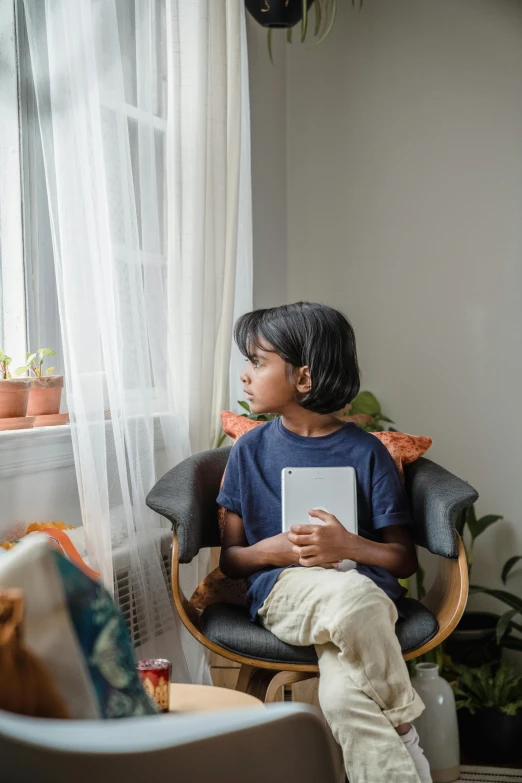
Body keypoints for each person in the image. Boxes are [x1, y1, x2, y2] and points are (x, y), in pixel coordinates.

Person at [217, 302, 431, 783]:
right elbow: (232, 561)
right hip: (285, 593)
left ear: (305, 379)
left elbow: (403, 561)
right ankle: (403, 722)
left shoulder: (366, 451)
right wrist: (273, 551)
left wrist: (348, 546)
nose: (246, 375)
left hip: (362, 599)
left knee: (343, 697)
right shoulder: (249, 451)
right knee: (353, 598)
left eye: (257, 362)